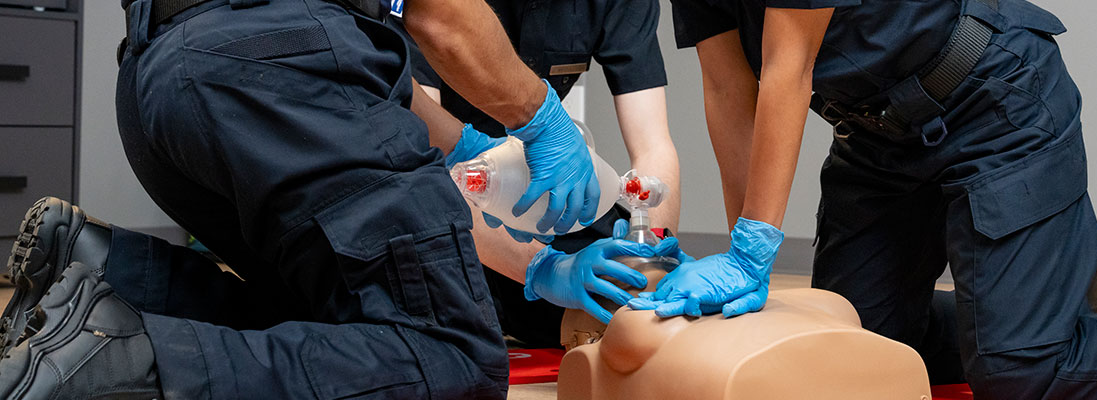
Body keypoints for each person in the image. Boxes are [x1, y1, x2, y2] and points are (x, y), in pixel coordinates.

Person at [629, 0, 1097, 398]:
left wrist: (757, 246)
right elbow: (732, 88)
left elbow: (787, 68)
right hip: (876, 138)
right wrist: (739, 261)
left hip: (992, 100)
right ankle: (1061, 301)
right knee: (860, 353)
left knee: (1020, 374)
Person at [0, 0, 648, 398]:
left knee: (336, 319)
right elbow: (441, 16)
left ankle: (108, 273)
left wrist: (478, 159)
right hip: (271, 61)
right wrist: (542, 120)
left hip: (162, 78)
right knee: (449, 360)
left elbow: (401, 127)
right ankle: (115, 361)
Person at [384, 0, 682, 347]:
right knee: (446, 318)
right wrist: (540, 267)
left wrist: (652, 256)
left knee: (614, 284)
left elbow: (653, 146)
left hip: (538, 194)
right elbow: (419, 156)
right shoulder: (433, 10)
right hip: (442, 187)